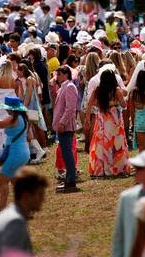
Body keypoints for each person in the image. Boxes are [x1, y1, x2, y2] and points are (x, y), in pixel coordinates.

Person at [0, 95, 31, 211]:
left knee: (2, 179)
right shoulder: (23, 118)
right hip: (22, 152)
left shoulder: (13, 118)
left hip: (16, 153)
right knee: (14, 180)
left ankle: (2, 211)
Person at [0, 169, 49, 257]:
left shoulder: (9, 215)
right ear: (26, 195)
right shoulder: (15, 222)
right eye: (40, 195)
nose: (43, 199)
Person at [112, 150, 145, 257]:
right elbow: (119, 236)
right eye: (135, 167)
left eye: (140, 168)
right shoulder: (126, 197)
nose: (135, 171)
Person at [87, 68, 131, 177]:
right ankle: (117, 167)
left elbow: (89, 104)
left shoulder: (98, 90)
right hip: (114, 117)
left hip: (102, 117)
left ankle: (101, 168)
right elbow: (124, 105)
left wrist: (87, 118)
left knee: (101, 143)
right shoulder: (116, 90)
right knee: (116, 142)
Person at [52, 64, 81, 193]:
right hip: (62, 125)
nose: (57, 77)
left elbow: (70, 108)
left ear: (65, 75)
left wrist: (62, 123)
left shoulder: (69, 86)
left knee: (67, 153)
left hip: (66, 126)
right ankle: (69, 179)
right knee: (65, 153)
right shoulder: (64, 86)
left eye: (59, 74)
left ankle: (71, 180)